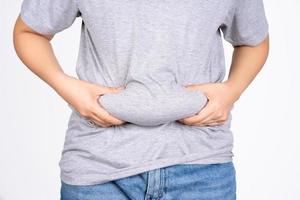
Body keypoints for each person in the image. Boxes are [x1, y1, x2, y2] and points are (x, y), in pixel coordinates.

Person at [13, 0, 269, 199]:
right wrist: (67, 87)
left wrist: (232, 91)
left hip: (203, 168)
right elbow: (29, 32)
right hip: (98, 170)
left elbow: (254, 41)